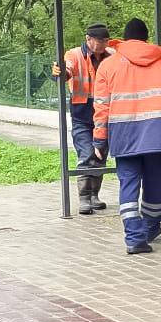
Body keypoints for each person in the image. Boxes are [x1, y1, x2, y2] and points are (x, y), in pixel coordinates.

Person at [92, 19, 161, 255]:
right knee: (155, 181)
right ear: (147, 39)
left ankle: (134, 236)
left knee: (129, 182)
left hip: (124, 133)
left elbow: (101, 107)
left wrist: (99, 140)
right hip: (160, 132)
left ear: (124, 40)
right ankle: (149, 227)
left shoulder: (108, 66)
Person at [51, 23, 116, 215]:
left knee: (100, 155)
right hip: (82, 113)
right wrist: (60, 72)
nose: (104, 44)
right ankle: (84, 198)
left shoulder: (111, 55)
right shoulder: (74, 55)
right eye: (100, 41)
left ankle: (94, 195)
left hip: (105, 113)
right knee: (87, 153)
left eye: (106, 40)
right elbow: (66, 71)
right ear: (88, 39)